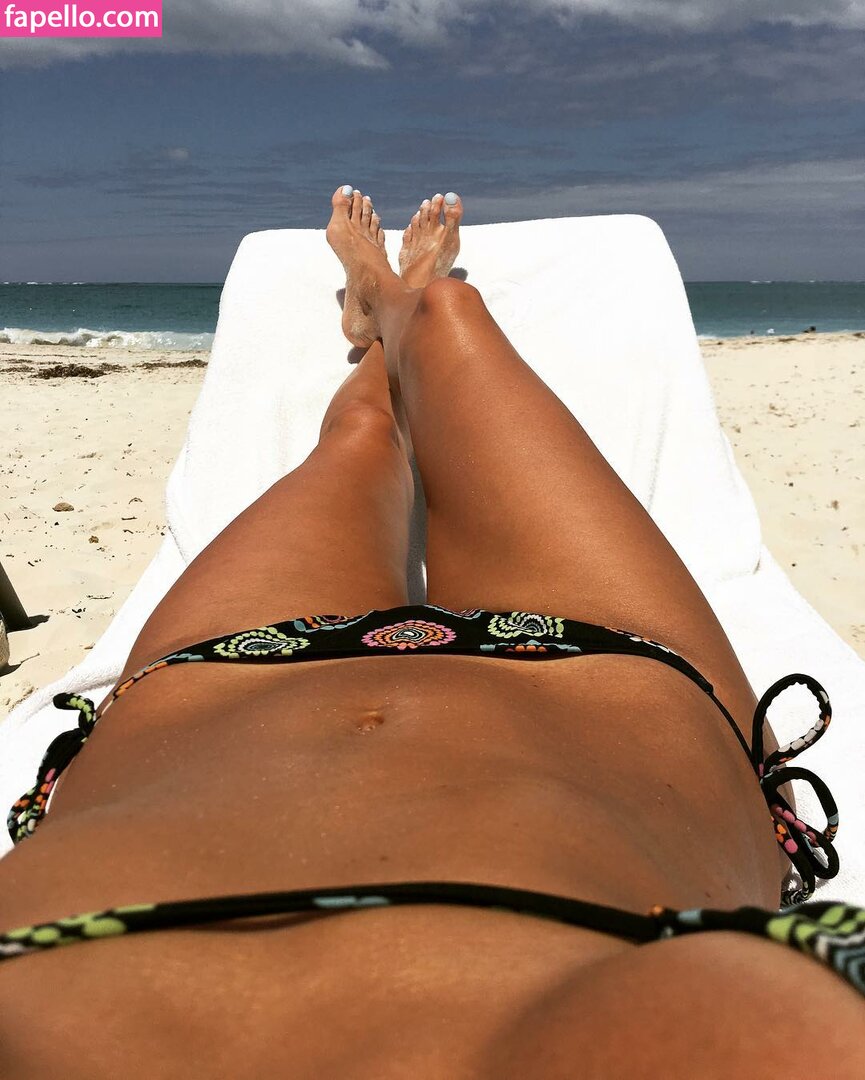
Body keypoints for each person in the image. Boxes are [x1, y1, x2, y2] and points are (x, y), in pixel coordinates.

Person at [0, 188, 862, 1077]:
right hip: (610, 680)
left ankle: (376, 307)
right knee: (453, 314)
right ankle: (405, 297)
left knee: (360, 434)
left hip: (223, 683)